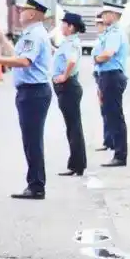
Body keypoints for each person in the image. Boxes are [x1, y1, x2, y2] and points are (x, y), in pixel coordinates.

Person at [0, 0, 53, 199]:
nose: (19, 13)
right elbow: (16, 55)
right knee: (30, 140)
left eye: (22, 10)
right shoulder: (31, 34)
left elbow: (23, 61)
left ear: (32, 14)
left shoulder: (34, 35)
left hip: (33, 92)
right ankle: (35, 183)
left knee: (32, 140)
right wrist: (2, 40)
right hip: (32, 92)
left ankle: (36, 186)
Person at [93, 1, 129, 167]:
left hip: (112, 76)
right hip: (106, 76)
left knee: (115, 115)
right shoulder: (109, 33)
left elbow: (108, 54)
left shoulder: (114, 33)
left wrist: (95, 59)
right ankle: (117, 151)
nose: (103, 16)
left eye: (106, 13)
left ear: (114, 16)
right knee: (111, 114)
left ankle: (120, 155)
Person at [53, 12, 88, 177]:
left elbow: (71, 61)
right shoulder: (67, 42)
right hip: (67, 87)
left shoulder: (72, 43)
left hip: (68, 87)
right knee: (72, 127)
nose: (61, 27)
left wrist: (64, 76)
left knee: (73, 128)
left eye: (64, 24)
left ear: (71, 27)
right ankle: (76, 164)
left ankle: (77, 165)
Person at [92, 13, 113, 152]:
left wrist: (96, 60)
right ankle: (108, 139)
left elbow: (103, 57)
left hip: (106, 75)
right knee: (104, 110)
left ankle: (110, 140)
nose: (97, 27)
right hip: (99, 74)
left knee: (108, 110)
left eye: (99, 24)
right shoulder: (101, 39)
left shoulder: (106, 39)